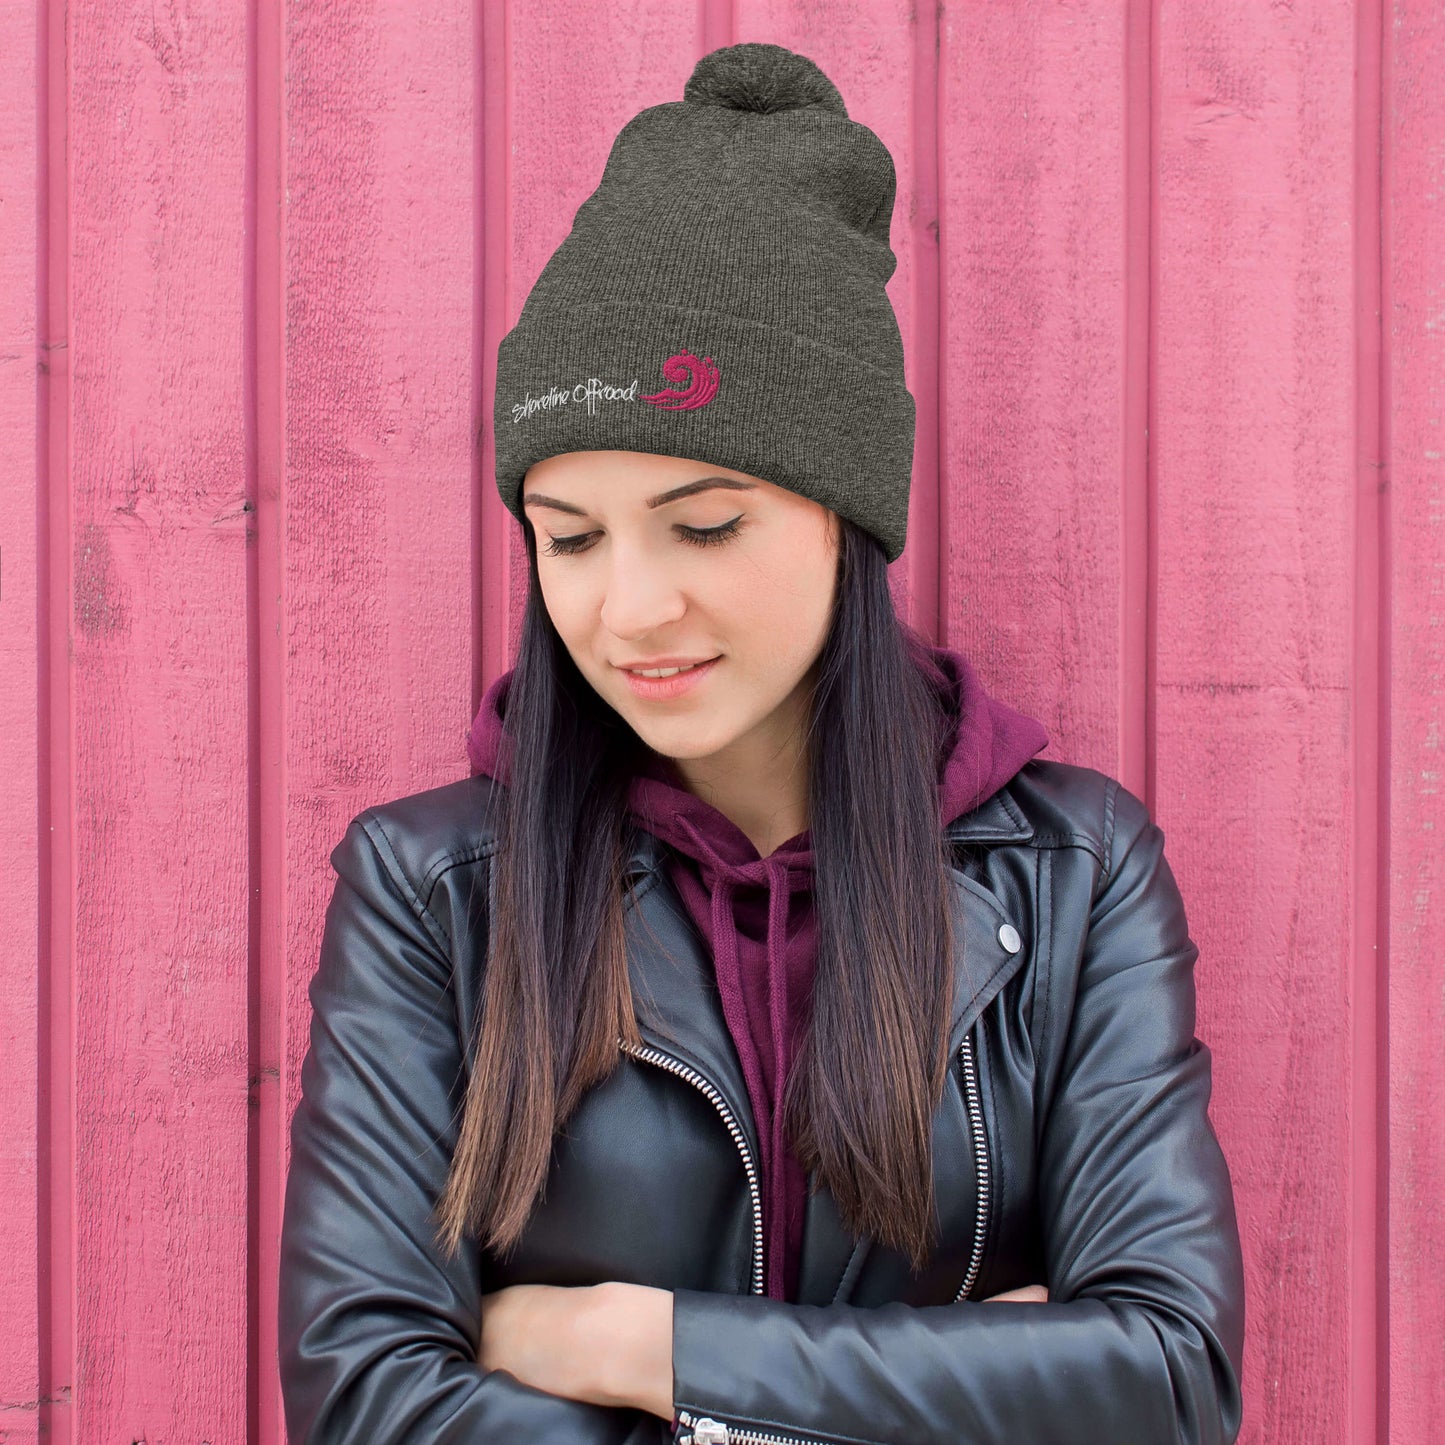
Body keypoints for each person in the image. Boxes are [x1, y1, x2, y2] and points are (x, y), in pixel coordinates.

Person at [277, 41, 1245, 1445]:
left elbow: (1165, 1380)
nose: (629, 607)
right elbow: (368, 1401)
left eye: (704, 523)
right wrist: (962, 1376)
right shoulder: (434, 890)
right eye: (569, 537)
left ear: (843, 517)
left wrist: (631, 1339)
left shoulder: (1071, 868)